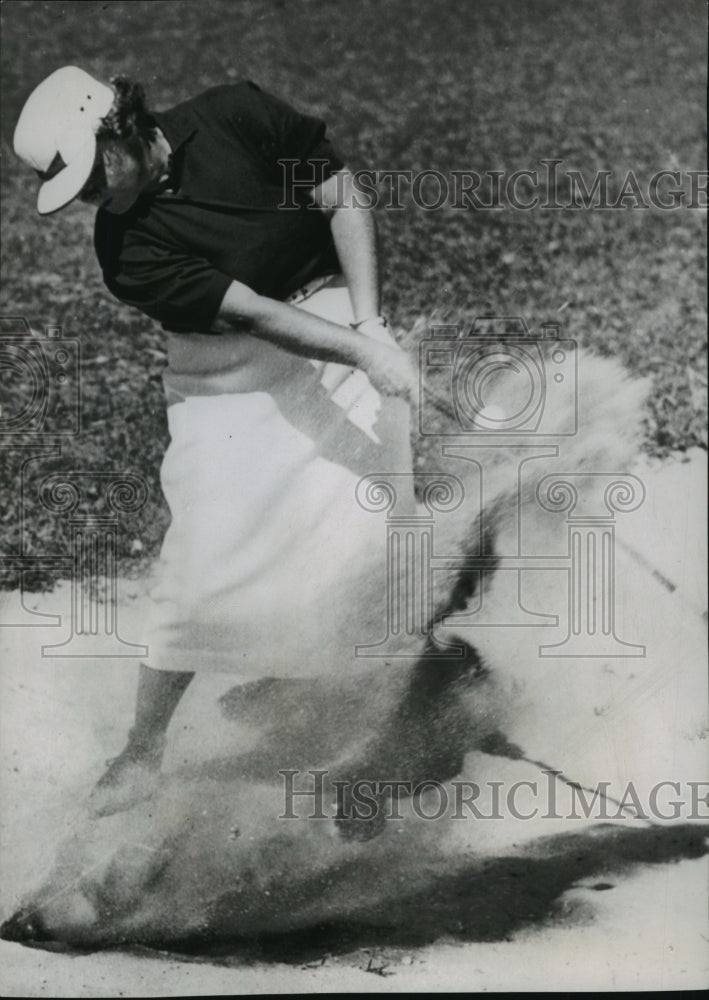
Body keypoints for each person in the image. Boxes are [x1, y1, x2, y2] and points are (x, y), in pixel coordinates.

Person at [14, 66, 478, 831]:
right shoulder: (124, 252)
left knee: (375, 530)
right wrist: (364, 355)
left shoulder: (234, 113)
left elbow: (340, 195)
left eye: (91, 174)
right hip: (223, 369)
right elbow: (255, 315)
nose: (90, 198)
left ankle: (398, 714)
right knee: (205, 558)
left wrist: (369, 327)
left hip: (332, 310)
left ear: (119, 126)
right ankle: (141, 750)